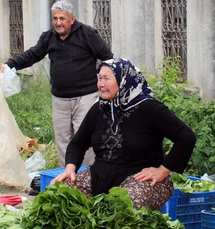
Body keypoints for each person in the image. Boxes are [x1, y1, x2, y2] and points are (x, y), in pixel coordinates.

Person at [52, 57, 196, 209]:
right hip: (100, 179)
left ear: (123, 80)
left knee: (123, 207)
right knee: (59, 196)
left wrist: (162, 171)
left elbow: (186, 137)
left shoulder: (149, 108)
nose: (101, 84)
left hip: (140, 180)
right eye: (99, 78)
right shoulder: (100, 108)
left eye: (106, 78)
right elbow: (77, 143)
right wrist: (70, 168)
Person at [0, 0, 113, 165]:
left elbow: (107, 56)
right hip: (60, 99)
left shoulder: (87, 33)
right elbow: (32, 54)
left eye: (62, 19)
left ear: (72, 19)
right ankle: (66, 176)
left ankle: (87, 176)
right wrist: (8, 65)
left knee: (85, 137)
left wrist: (102, 79)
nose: (58, 23)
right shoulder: (49, 37)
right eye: (55, 18)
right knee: (63, 140)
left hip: (85, 96)